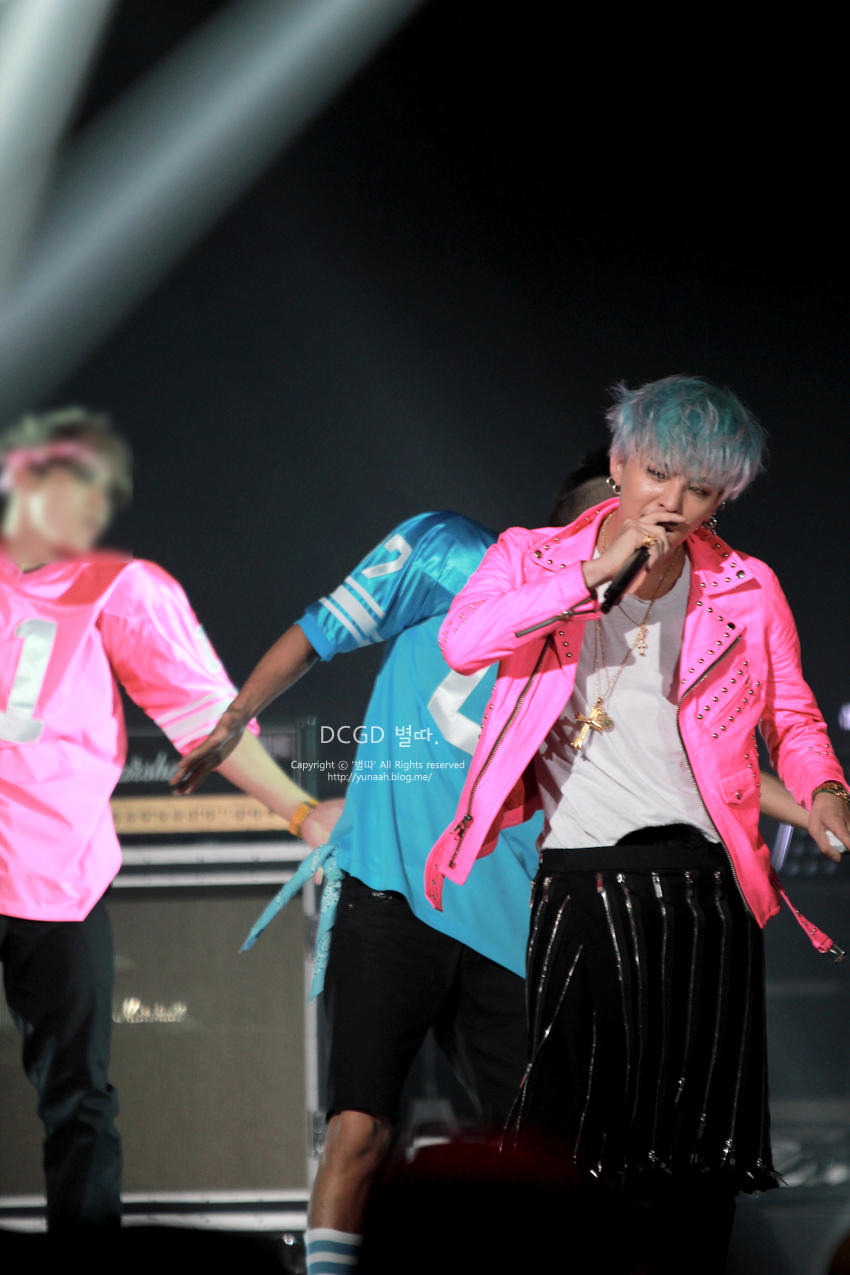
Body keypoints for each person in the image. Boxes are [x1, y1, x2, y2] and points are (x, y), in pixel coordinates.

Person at [426, 376, 850, 1272]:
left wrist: (822, 789)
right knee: (575, 1141)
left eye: (700, 488)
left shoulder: (745, 586)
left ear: (721, 497)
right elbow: (463, 641)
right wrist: (592, 575)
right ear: (618, 464)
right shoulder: (530, 558)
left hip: (705, 890)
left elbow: (794, 715)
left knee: (698, 1152)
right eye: (658, 473)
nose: (673, 501)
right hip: (583, 880)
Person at [173, 510, 545, 1275]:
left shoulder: (615, 626)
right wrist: (234, 720)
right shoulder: (450, 554)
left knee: (538, 1149)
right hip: (390, 894)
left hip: (510, 915)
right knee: (359, 1129)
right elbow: (318, 631)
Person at [0, 408, 341, 1231]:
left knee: (78, 1097)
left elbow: (202, 716)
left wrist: (297, 808)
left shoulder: (118, 588)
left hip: (56, 881)